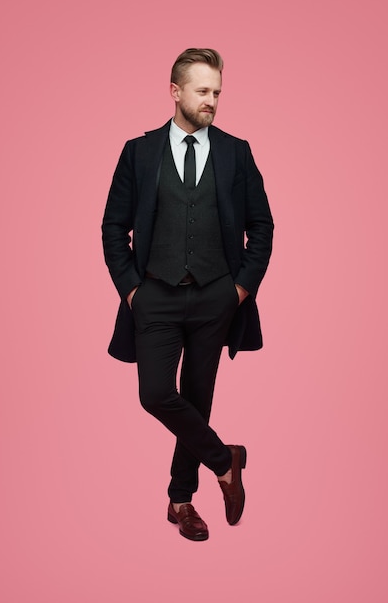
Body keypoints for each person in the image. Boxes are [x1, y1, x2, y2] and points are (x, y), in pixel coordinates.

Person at [102, 48, 273, 541]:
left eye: (217, 92)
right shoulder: (139, 151)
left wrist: (240, 288)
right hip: (153, 293)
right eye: (202, 91)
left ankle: (181, 502)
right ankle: (226, 460)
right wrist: (132, 290)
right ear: (175, 91)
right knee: (156, 394)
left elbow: (261, 226)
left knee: (198, 399)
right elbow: (114, 227)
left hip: (216, 295)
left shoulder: (236, 151)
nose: (211, 101)